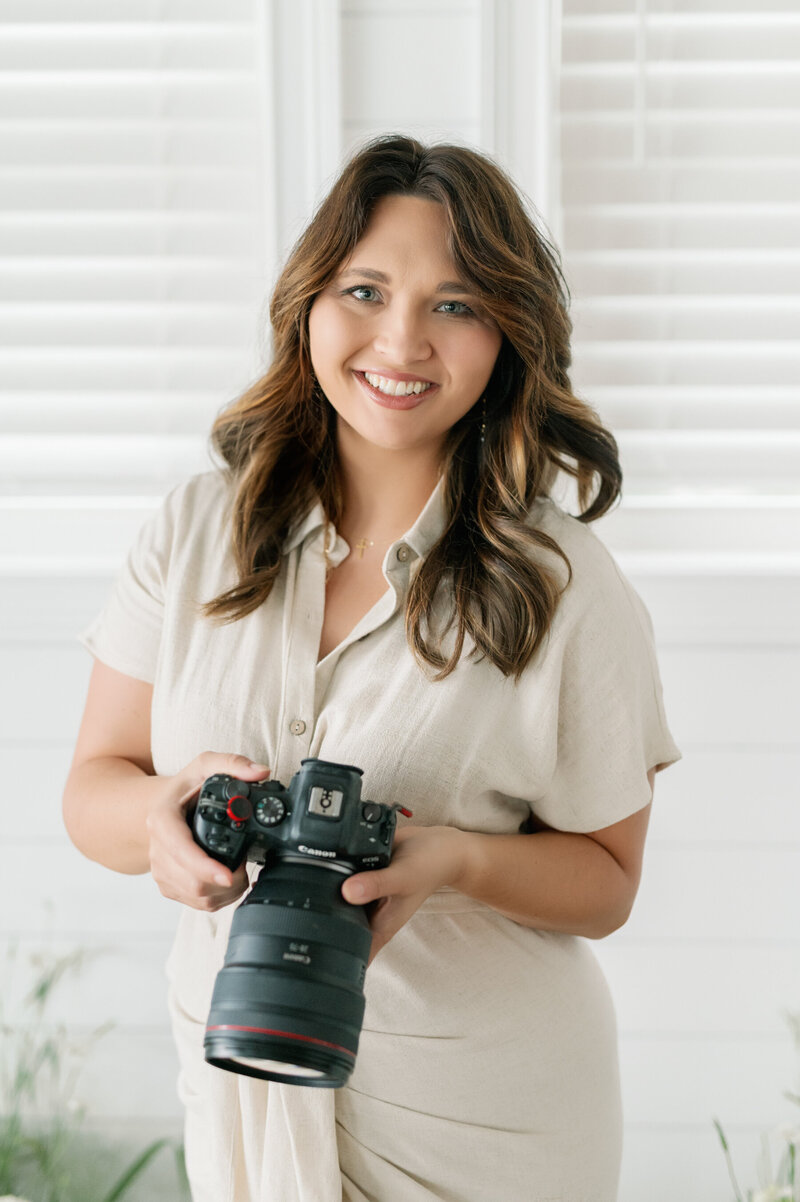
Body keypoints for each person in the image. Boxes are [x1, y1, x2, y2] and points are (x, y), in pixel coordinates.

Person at [62, 133, 680, 1202]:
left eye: (455, 303)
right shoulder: (196, 528)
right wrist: (163, 810)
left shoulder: (563, 582)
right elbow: (94, 785)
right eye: (365, 288)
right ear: (310, 298)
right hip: (242, 1057)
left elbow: (607, 880)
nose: (401, 339)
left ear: (505, 336)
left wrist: (452, 858)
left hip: (479, 1113)